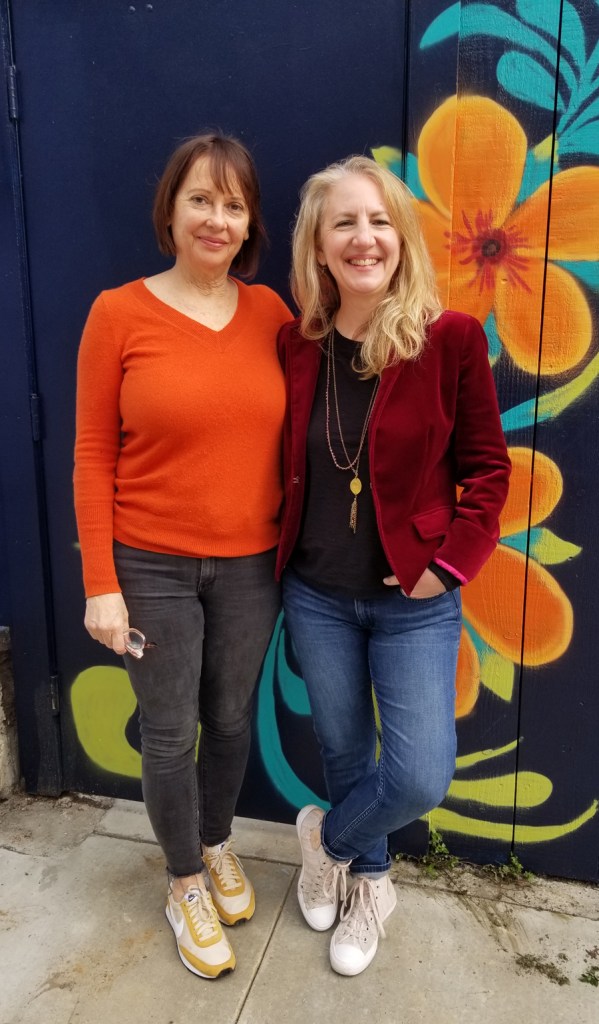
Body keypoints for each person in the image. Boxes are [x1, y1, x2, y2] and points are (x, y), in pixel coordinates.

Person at [276, 156, 511, 977]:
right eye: (342, 222)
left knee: (416, 777)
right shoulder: (296, 344)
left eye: (378, 220)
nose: (363, 237)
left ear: (402, 237)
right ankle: (369, 884)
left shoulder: (449, 339)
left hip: (414, 601)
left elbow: (488, 472)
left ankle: (325, 842)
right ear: (319, 244)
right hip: (315, 594)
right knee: (345, 753)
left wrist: (447, 567)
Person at [74, 133, 291, 979]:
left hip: (250, 565)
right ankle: (183, 881)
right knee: (169, 733)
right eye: (201, 199)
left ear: (250, 224)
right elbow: (93, 453)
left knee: (229, 720)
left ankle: (215, 840)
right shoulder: (117, 313)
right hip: (149, 565)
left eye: (234, 205)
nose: (216, 219)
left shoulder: (273, 316)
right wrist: (101, 584)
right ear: (170, 210)